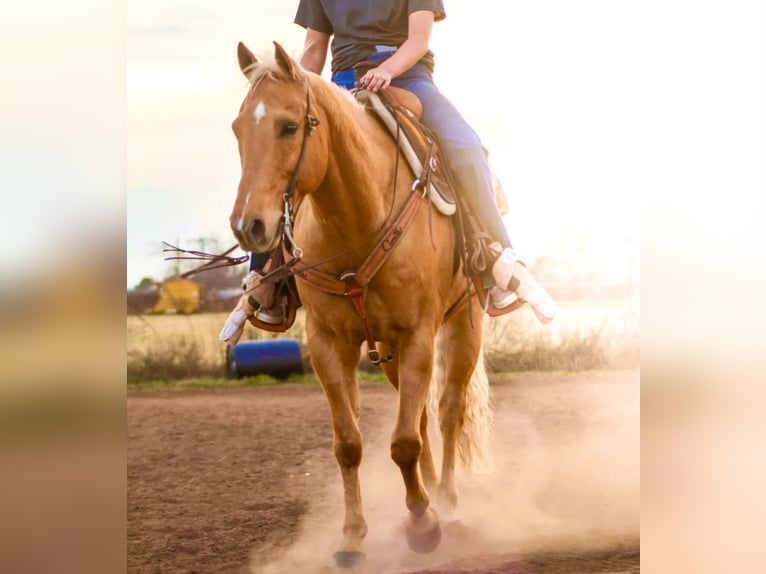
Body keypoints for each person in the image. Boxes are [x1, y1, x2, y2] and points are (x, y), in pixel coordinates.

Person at [219, 0, 555, 345]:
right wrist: (292, 87)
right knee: (278, 154)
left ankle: (499, 259)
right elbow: (314, 48)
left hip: (408, 79)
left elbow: (418, 40)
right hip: (341, 85)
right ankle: (265, 277)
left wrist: (388, 70)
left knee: (467, 148)